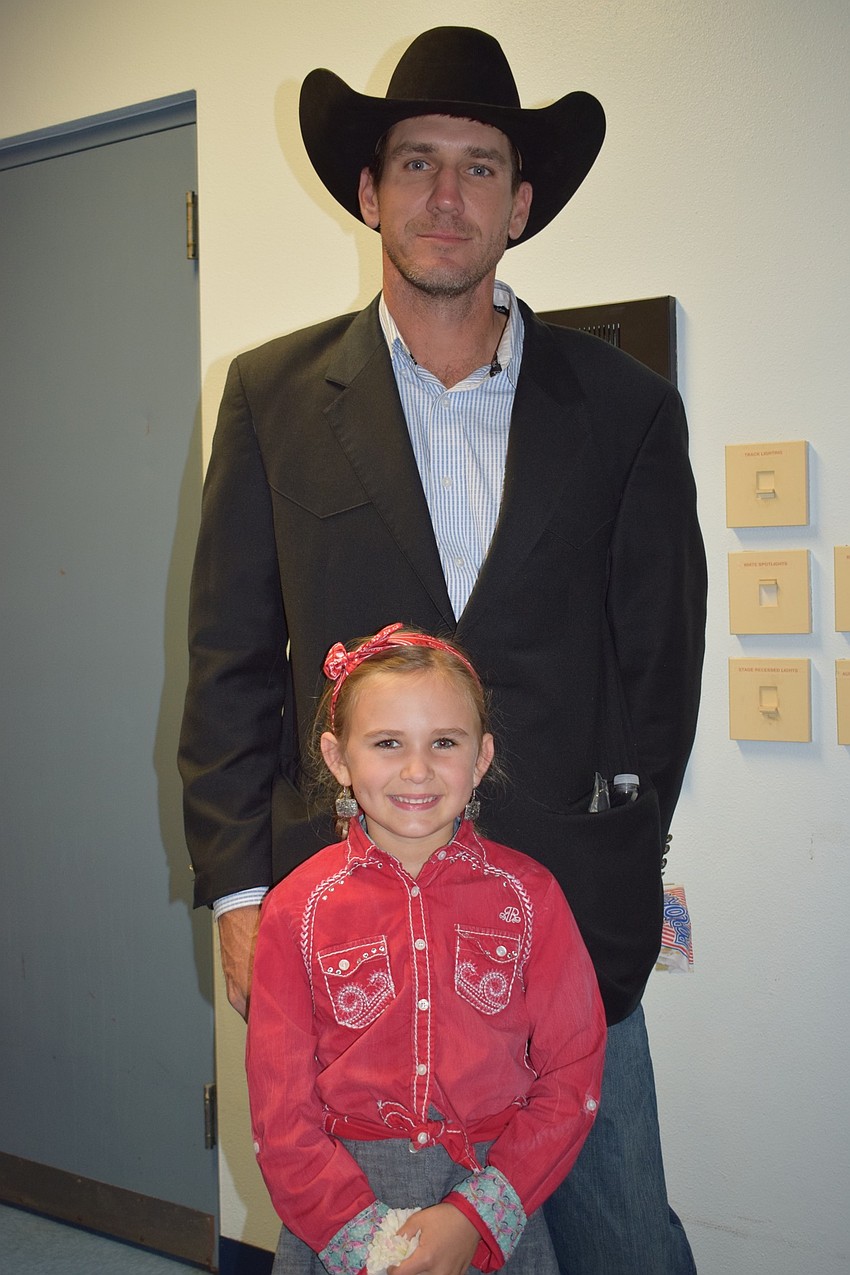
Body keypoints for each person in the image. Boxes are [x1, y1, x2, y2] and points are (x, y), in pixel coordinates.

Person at [178, 25, 707, 1273]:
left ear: (522, 203)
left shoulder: (625, 408)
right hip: (351, 918)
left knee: (621, 1235)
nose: (444, 195)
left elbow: (660, 664)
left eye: (479, 167)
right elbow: (232, 658)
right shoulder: (270, 396)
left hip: (569, 913)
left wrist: (626, 850)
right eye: (415, 163)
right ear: (368, 191)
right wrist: (244, 893)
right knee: (371, 1245)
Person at [246, 623, 607, 1275]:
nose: (417, 769)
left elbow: (572, 1075)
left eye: (444, 742)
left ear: (481, 756)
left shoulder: (532, 897)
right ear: (338, 757)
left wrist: (476, 1217)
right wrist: (369, 1243)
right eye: (388, 742)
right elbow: (281, 1112)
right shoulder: (296, 909)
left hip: (494, 1195)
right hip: (338, 1212)